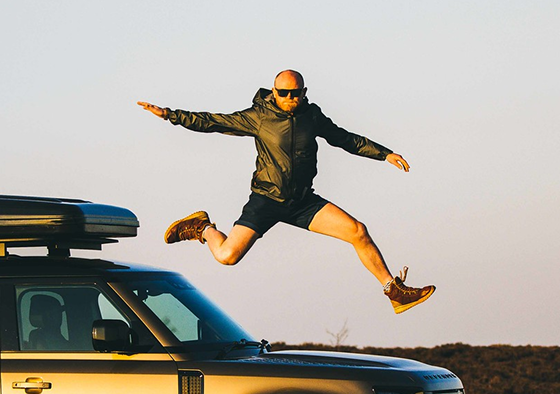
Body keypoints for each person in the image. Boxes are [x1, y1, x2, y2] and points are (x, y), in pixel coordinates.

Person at [137, 70, 434, 314]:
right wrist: (169, 115)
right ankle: (202, 228)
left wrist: (384, 154)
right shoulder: (258, 116)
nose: (290, 98)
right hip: (266, 200)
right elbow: (212, 121)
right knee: (227, 256)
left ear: (304, 92)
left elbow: (344, 138)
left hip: (303, 201)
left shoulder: (312, 116)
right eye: (284, 93)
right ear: (274, 92)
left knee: (358, 231)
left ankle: (394, 292)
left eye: (296, 93)